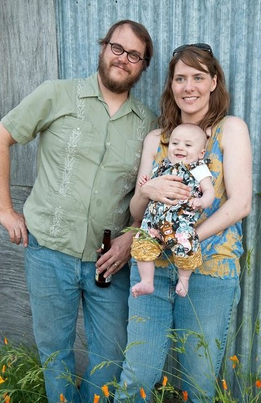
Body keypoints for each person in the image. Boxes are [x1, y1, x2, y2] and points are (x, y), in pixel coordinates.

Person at [0, 20, 157, 403]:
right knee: (56, 356)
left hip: (110, 262)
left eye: (134, 55)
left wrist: (131, 236)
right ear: (103, 47)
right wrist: (5, 209)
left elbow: (148, 195)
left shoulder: (149, 124)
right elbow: (3, 137)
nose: (123, 59)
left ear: (143, 67)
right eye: (117, 48)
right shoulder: (57, 94)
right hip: (49, 253)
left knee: (109, 360)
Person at [114, 43, 252, 402]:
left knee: (197, 383)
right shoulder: (156, 140)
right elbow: (135, 212)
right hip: (152, 270)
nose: (188, 86)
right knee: (137, 377)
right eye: (180, 78)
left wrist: (185, 238)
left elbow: (239, 204)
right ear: (171, 86)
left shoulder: (229, 130)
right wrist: (149, 191)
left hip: (209, 269)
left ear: (213, 82)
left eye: (198, 77)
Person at [131, 123, 215, 298]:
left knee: (186, 248)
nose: (180, 148)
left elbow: (209, 191)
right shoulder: (162, 166)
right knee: (142, 247)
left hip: (180, 224)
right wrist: (146, 183)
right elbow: (151, 187)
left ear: (201, 153)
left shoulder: (199, 169)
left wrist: (201, 201)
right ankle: (147, 281)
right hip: (153, 222)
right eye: (175, 143)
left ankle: (184, 279)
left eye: (188, 145)